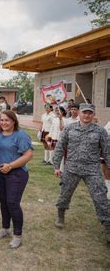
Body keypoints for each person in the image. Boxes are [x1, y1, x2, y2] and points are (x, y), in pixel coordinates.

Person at [53, 103, 110, 244]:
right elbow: (60, 147)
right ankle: (60, 215)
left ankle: (108, 226)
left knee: (100, 197)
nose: (87, 115)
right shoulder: (69, 129)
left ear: (94, 114)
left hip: (92, 170)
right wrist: (56, 166)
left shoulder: (100, 132)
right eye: (84, 112)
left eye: (90, 113)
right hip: (72, 168)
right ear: (79, 113)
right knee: (65, 194)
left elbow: (107, 152)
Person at [0, 110, 33, 249]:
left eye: (7, 120)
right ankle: (5, 228)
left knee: (12, 203)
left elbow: (28, 155)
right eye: (2, 120)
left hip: (16, 173)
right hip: (0, 173)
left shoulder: (20, 135)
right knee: (3, 201)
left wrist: (10, 166)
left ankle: (18, 235)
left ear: (13, 121)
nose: (4, 123)